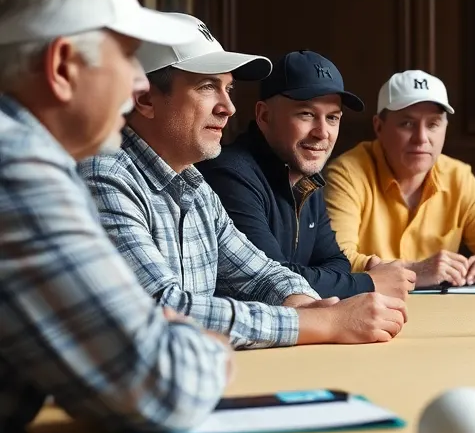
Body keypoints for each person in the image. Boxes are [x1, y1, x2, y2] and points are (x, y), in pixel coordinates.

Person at [0, 0, 230, 433]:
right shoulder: (16, 166)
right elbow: (159, 384)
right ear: (63, 66)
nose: (137, 83)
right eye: (127, 55)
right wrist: (198, 342)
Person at [78, 20, 407, 349]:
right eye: (208, 86)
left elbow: (263, 274)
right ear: (145, 99)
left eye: (228, 89)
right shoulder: (105, 177)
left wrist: (308, 304)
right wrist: (322, 321)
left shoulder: (195, 186)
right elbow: (162, 309)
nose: (229, 107)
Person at [198, 50, 416, 300]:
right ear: (264, 116)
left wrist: (341, 281)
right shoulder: (230, 175)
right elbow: (271, 280)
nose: (322, 133)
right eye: (307, 114)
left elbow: (336, 263)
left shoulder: (306, 177)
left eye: (332, 117)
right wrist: (365, 283)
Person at [325, 70, 475, 288]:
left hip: (441, 314)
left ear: (444, 129)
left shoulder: (458, 176)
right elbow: (335, 262)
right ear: (379, 127)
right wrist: (415, 272)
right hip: (369, 313)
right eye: (407, 124)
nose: (421, 138)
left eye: (433, 124)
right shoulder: (347, 173)